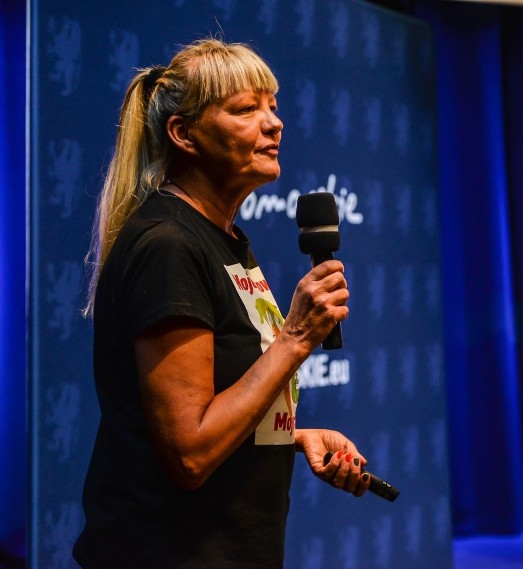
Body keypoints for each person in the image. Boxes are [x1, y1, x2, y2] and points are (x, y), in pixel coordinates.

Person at [73, 39, 371, 568]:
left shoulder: (224, 237)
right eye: (245, 109)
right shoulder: (169, 244)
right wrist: (297, 338)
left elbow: (216, 403)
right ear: (184, 134)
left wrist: (293, 436)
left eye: (273, 106)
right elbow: (188, 453)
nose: (274, 123)